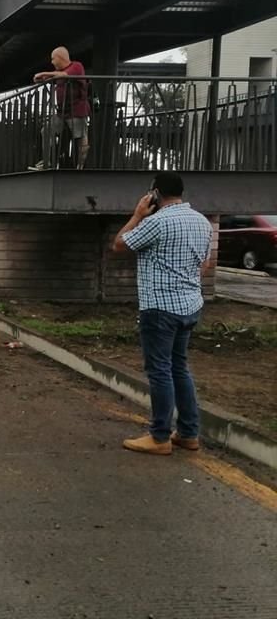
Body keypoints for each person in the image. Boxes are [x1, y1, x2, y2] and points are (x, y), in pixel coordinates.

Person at [112, 172, 213, 456]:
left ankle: (159, 437)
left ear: (155, 193)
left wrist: (136, 216)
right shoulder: (202, 222)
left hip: (160, 309)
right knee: (179, 367)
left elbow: (119, 244)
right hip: (190, 306)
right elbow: (204, 265)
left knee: (159, 371)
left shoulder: (156, 223)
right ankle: (189, 433)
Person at [30, 47, 90, 170]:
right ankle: (47, 162)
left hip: (77, 111)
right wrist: (41, 80)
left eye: (53, 59)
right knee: (46, 131)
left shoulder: (76, 66)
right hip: (63, 113)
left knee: (80, 139)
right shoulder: (59, 73)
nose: (52, 62)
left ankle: (80, 166)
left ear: (60, 57)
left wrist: (43, 73)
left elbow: (63, 75)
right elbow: (54, 78)